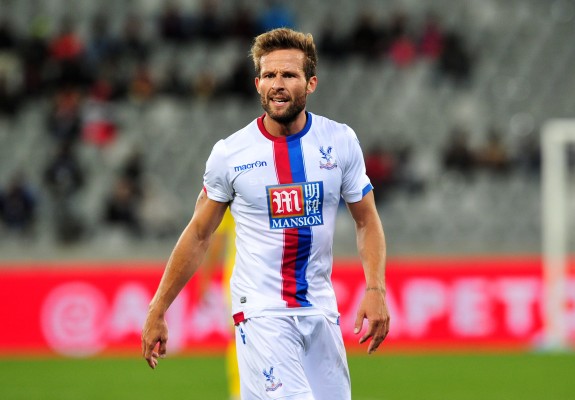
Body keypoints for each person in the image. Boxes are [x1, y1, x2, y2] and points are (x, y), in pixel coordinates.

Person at [142, 28, 390, 400]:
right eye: (270, 75)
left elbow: (366, 219)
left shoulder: (340, 141)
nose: (278, 84)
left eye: (289, 75)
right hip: (261, 313)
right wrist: (158, 308)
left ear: (311, 83)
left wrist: (375, 289)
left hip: (320, 310)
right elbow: (198, 234)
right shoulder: (231, 154)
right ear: (257, 84)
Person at [197, 209, 240, 400]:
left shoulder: (232, 184)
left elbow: (217, 240)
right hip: (265, 280)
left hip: (238, 279)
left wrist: (205, 280)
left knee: (239, 339)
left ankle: (239, 392)